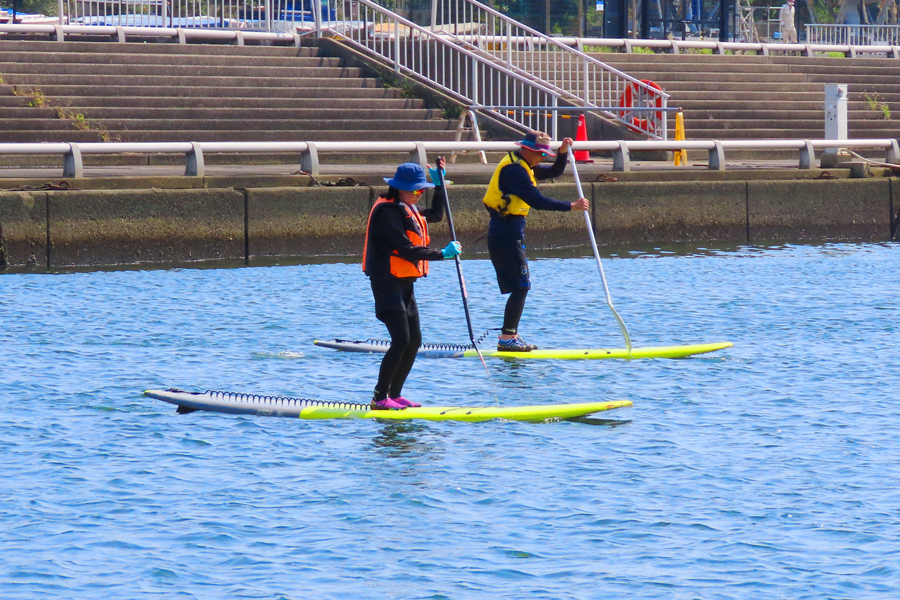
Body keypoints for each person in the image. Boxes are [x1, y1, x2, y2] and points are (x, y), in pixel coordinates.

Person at [363, 160, 461, 410]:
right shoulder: (387, 213)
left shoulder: (408, 209)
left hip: (405, 284)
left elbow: (437, 215)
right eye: (415, 190)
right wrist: (442, 254)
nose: (419, 194)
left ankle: (394, 395)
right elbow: (405, 249)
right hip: (386, 282)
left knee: (415, 340)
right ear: (399, 188)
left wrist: (439, 186)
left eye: (422, 190)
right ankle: (378, 398)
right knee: (401, 339)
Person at [482, 131, 589, 352]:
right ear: (528, 150)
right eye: (541, 154)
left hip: (510, 230)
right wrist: (572, 206)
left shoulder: (523, 164)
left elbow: (554, 171)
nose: (543, 158)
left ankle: (510, 335)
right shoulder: (514, 171)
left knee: (521, 286)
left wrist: (561, 154)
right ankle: (506, 338)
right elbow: (537, 201)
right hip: (505, 231)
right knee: (521, 286)